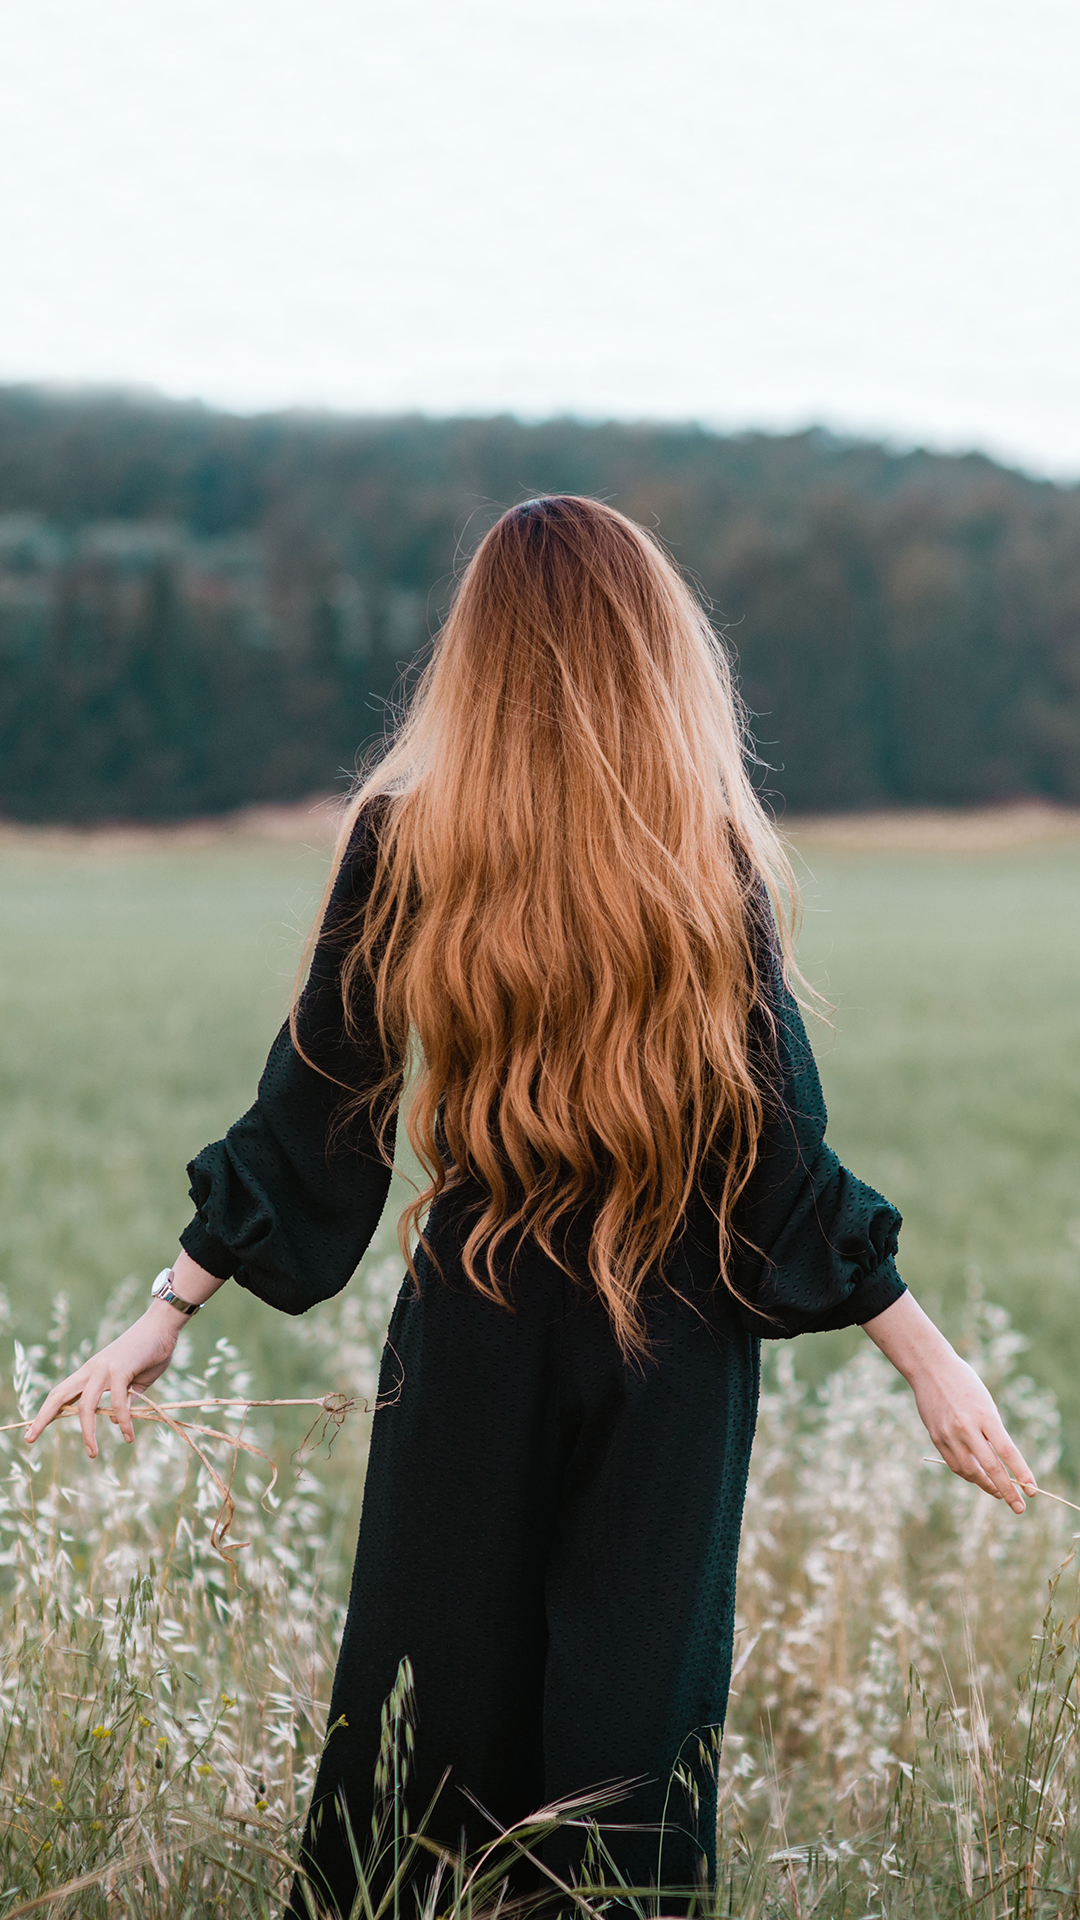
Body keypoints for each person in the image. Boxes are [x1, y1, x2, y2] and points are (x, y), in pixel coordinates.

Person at [26, 496, 1037, 1917]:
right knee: (629, 1773)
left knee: (425, 1768)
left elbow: (315, 1114)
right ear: (653, 652)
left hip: (475, 1324)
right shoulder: (705, 858)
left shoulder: (410, 837)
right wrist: (930, 1358)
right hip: (673, 1343)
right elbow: (776, 1163)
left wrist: (164, 1314)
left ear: (477, 655)